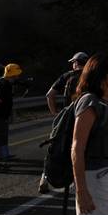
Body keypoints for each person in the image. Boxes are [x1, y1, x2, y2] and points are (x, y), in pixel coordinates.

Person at [65, 53, 108, 215]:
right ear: (100, 75)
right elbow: (77, 147)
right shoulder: (90, 101)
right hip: (96, 174)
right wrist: (81, 191)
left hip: (104, 172)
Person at [40, 51, 89, 193]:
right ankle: (76, 181)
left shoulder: (67, 76)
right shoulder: (90, 77)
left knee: (55, 146)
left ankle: (44, 177)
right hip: (83, 117)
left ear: (75, 63)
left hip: (64, 118)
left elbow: (49, 95)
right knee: (80, 148)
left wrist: (55, 113)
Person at [0, 64, 22, 172]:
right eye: (17, 75)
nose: (18, 77)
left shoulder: (1, 82)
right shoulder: (3, 85)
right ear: (12, 74)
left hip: (1, 116)